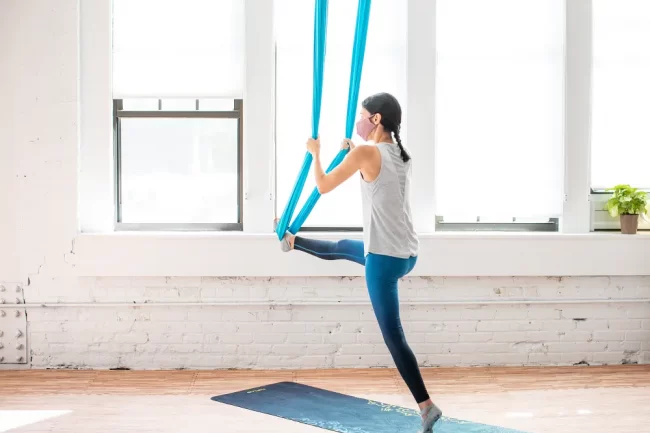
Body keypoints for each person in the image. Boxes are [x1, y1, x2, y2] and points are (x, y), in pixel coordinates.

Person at [276, 92, 443, 433]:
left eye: (362, 116)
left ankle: (426, 406)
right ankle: (293, 242)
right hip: (408, 253)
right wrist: (352, 154)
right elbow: (377, 175)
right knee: (346, 247)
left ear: (377, 119)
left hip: (384, 258)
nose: (358, 122)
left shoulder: (367, 153)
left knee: (393, 336)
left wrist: (316, 153)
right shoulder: (400, 153)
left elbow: (322, 186)